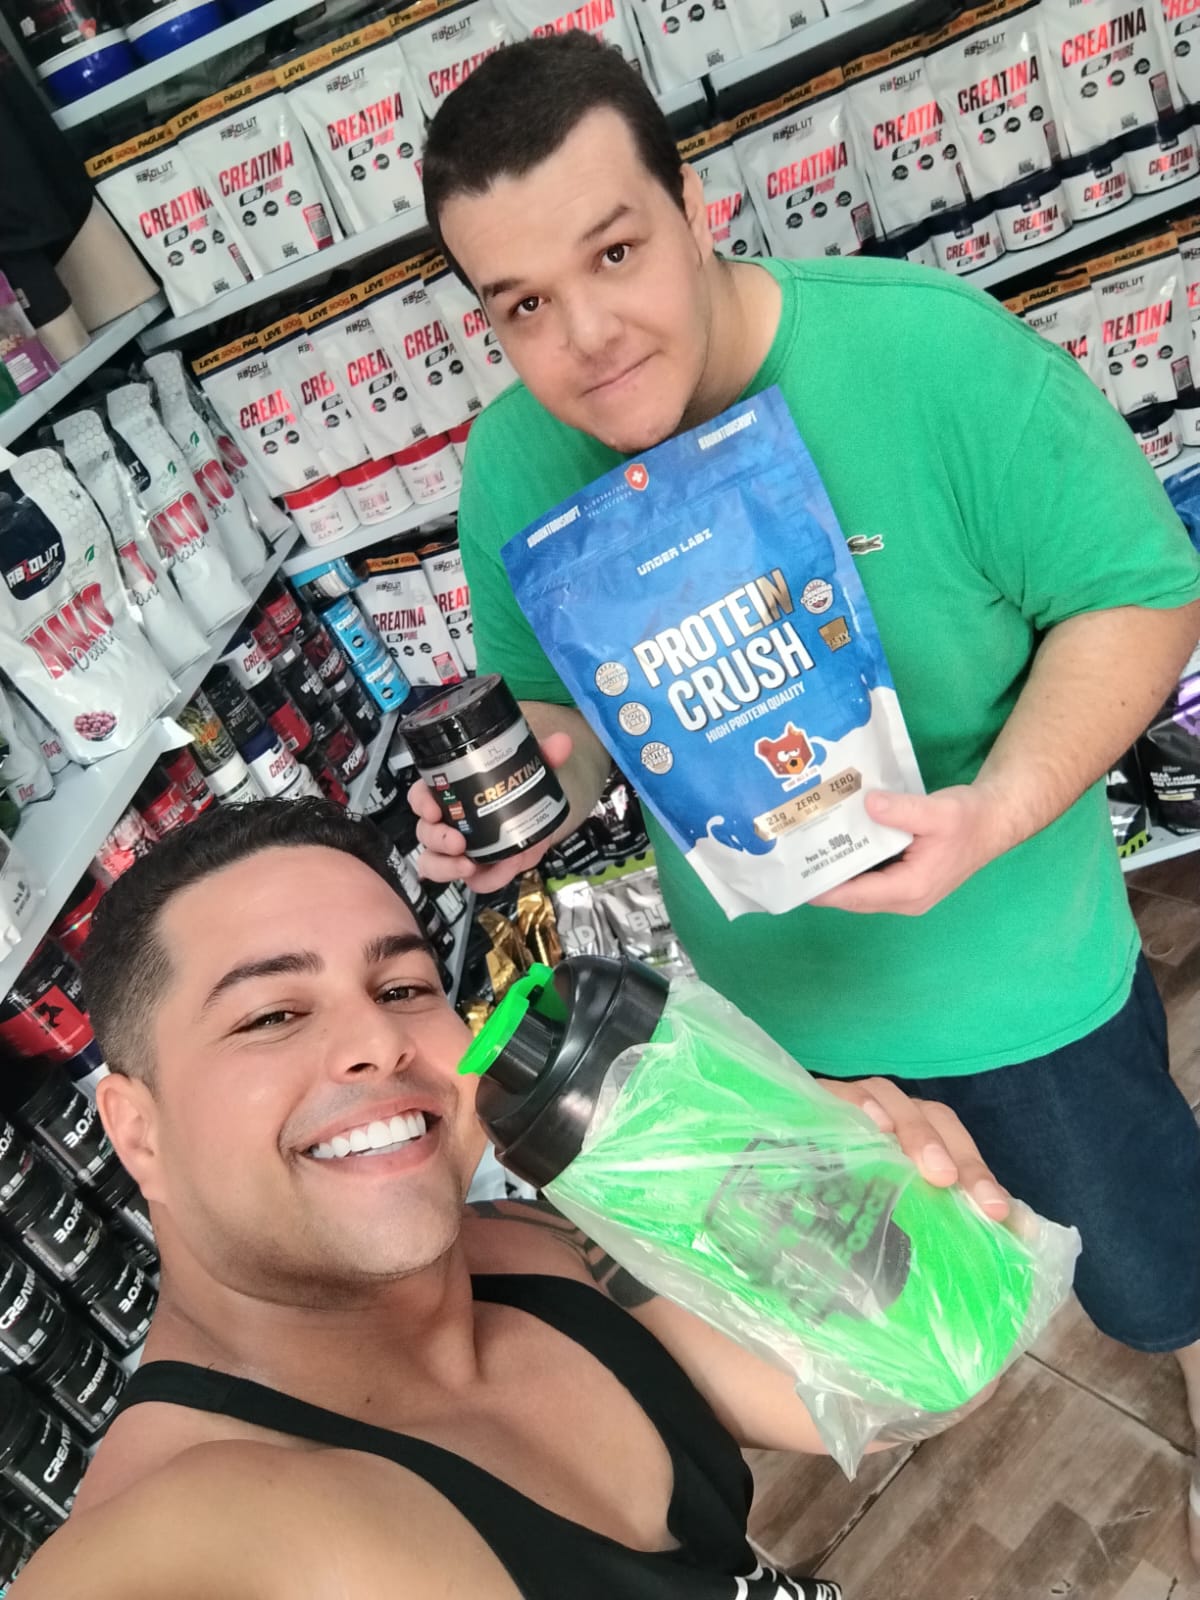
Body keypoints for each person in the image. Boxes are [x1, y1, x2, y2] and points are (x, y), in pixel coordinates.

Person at [408, 29, 1200, 1550]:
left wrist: (995, 812)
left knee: (1156, 1272)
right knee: (905, 1329)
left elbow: (1143, 593)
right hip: (771, 1045)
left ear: (695, 207)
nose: (587, 338)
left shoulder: (932, 359)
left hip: (1020, 989)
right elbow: (563, 719)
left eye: (616, 252)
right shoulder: (516, 464)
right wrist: (521, 795)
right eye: (523, 304)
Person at [10, 799, 1008, 1599]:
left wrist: (863, 1185)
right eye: (272, 1014)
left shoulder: (530, 1246)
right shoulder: (200, 1524)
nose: (379, 1043)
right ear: (137, 1131)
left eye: (403, 989)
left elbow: (910, 1388)